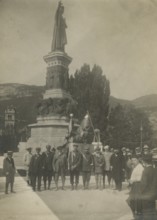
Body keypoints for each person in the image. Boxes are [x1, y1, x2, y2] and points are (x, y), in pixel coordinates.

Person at [127, 154, 144, 220]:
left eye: (134, 160)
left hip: (138, 185)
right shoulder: (135, 167)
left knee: (134, 200)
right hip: (135, 185)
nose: (133, 161)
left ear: (138, 160)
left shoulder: (140, 167)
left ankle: (138, 214)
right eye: (132, 160)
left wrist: (132, 180)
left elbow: (140, 178)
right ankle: (136, 214)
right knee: (132, 200)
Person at [140, 154, 157, 220]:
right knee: (152, 210)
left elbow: (143, 184)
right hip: (154, 194)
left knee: (146, 212)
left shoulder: (145, 171)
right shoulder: (155, 170)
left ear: (144, 162)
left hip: (146, 195)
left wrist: (141, 192)